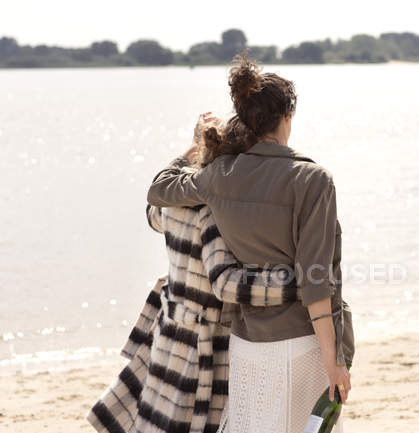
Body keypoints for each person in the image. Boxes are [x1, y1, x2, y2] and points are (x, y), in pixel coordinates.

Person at [146, 50, 353, 433]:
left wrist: (193, 149)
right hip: (302, 342)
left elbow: (159, 190)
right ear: (287, 116)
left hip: (247, 344)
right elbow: (315, 279)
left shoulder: (220, 174)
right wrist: (333, 359)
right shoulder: (312, 179)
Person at [86, 117, 298, 433]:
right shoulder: (213, 212)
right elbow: (226, 283)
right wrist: (294, 284)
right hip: (206, 343)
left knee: (156, 416)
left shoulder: (173, 201)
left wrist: (185, 157)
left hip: (170, 328)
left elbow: (152, 213)